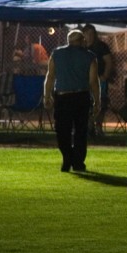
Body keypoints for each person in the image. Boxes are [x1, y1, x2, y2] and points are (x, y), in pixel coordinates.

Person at [43, 29, 99, 172]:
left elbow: (50, 76)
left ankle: (67, 159)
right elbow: (93, 81)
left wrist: (47, 95)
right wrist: (97, 100)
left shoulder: (57, 53)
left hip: (62, 97)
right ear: (80, 41)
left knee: (62, 130)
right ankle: (78, 162)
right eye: (84, 40)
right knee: (81, 130)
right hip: (81, 96)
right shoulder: (90, 57)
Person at [81, 24, 113, 137]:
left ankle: (98, 127)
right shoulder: (81, 47)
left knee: (101, 102)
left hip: (99, 80)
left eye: (91, 34)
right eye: (87, 34)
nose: (89, 36)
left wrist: (105, 75)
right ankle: (88, 127)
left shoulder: (101, 46)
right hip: (84, 81)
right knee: (85, 103)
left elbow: (109, 61)